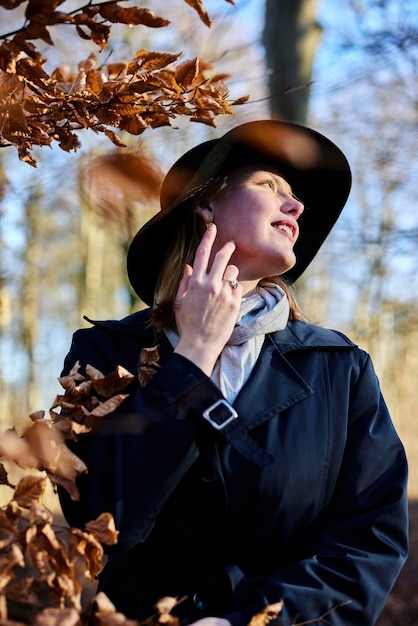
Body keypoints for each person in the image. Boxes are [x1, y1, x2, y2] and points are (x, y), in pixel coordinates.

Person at [58, 120, 408, 626]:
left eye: (296, 197)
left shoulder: (339, 367)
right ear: (205, 207)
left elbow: (370, 542)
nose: (297, 206)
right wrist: (195, 353)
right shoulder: (104, 353)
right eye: (269, 186)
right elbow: (103, 522)